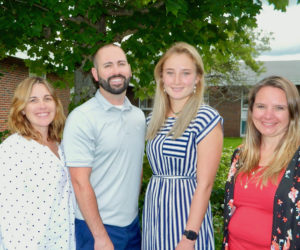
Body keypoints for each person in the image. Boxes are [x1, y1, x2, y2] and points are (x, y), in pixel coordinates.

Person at [63, 44, 146, 250]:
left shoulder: (138, 116)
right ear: (95, 74)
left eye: (121, 63)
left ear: (129, 69)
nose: (116, 71)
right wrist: (100, 237)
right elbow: (79, 182)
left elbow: (135, 166)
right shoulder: (82, 118)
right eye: (107, 65)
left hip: (132, 226)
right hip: (96, 229)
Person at [142, 42, 223, 250]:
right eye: (170, 73)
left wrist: (189, 237)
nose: (177, 81)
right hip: (155, 213)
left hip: (186, 216)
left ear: (197, 78)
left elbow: (205, 184)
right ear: (161, 78)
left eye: (185, 73)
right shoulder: (153, 119)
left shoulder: (206, 119)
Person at [223, 76, 300, 249]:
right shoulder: (240, 155)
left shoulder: (297, 161)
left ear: (293, 113)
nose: (268, 115)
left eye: (279, 108)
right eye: (261, 106)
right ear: (251, 111)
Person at [0, 76, 75, 249]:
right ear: (22, 109)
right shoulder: (12, 149)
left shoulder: (60, 145)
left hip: (63, 242)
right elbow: (8, 215)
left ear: (56, 104)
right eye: (33, 100)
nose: (42, 105)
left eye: (47, 98)